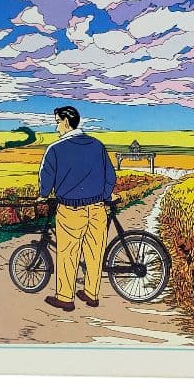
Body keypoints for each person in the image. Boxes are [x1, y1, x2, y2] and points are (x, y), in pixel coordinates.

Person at [39, 105, 117, 311]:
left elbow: (46, 179)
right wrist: (104, 196)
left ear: (66, 122)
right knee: (95, 253)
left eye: (57, 122)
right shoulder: (97, 145)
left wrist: (43, 195)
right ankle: (91, 294)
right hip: (97, 208)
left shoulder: (55, 149)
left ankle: (66, 297)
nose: (56, 127)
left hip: (70, 210)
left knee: (67, 253)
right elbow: (111, 176)